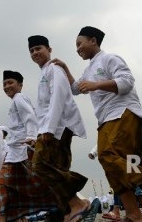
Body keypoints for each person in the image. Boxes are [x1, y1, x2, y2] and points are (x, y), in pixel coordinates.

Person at [52, 26, 142, 222]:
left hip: (123, 112)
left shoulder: (109, 59)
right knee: (129, 161)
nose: (77, 49)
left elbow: (127, 81)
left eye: (79, 44)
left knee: (108, 156)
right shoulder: (88, 69)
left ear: (93, 40)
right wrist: (65, 68)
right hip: (106, 120)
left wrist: (96, 85)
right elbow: (75, 88)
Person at [27, 35, 100, 222]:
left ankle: (79, 204)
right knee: (56, 168)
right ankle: (67, 211)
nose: (35, 52)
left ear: (49, 49)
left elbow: (59, 97)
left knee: (40, 167)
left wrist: (49, 130)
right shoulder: (44, 72)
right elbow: (43, 108)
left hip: (58, 127)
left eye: (39, 48)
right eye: (32, 50)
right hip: (50, 128)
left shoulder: (53, 68)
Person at [0, 70, 61, 222]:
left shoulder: (19, 98)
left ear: (20, 85)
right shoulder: (15, 101)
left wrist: (32, 136)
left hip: (24, 150)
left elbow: (30, 117)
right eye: (4, 84)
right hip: (14, 152)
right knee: (3, 185)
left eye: (10, 82)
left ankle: (71, 205)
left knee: (39, 183)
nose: (6, 86)